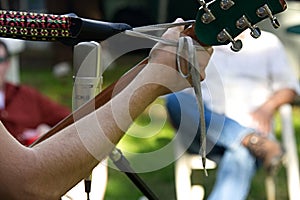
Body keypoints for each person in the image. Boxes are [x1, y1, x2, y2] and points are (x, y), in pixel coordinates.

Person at [0, 18, 214, 199]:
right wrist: (155, 78)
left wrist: (153, 68)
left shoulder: (25, 96)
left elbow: (70, 121)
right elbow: (29, 185)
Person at [166, 29, 300, 200]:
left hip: (252, 129)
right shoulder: (198, 43)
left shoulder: (268, 43)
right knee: (175, 100)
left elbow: (289, 88)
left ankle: (249, 140)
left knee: (241, 154)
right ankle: (251, 139)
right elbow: (178, 92)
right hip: (204, 137)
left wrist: (268, 107)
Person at [0, 39, 71, 146]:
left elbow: (69, 119)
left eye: (0, 60)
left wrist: (48, 132)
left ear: (7, 64)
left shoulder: (24, 95)